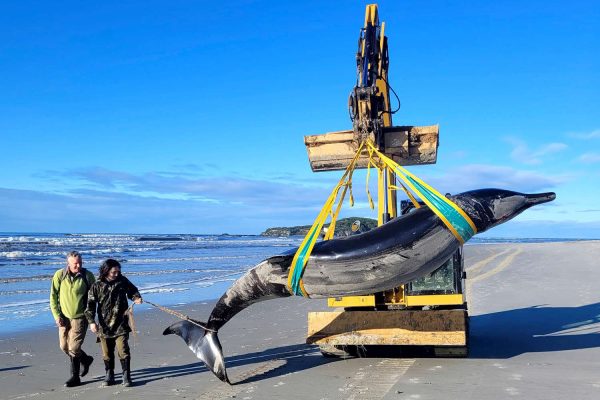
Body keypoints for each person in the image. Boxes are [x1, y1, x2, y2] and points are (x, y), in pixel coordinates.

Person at [85, 259, 142, 387]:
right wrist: (91, 322)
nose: (117, 274)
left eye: (118, 271)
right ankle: (109, 375)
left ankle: (126, 376)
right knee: (107, 353)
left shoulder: (122, 281)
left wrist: (136, 297)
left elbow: (133, 290)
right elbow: (90, 305)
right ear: (106, 271)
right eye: (114, 272)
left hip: (121, 323)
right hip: (104, 326)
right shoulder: (97, 285)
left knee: (123, 350)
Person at [49, 251, 96, 387]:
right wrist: (57, 315)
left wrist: (92, 317)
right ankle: (86, 360)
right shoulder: (59, 275)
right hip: (63, 318)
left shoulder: (87, 276)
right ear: (68, 263)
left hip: (80, 317)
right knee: (64, 346)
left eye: (80, 262)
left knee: (74, 348)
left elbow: (94, 297)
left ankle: (75, 377)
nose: (78, 265)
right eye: (75, 263)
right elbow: (53, 297)